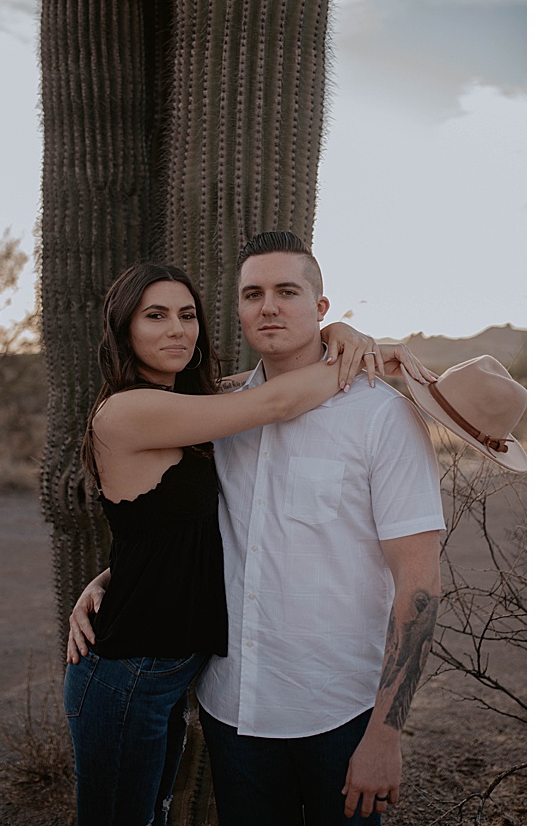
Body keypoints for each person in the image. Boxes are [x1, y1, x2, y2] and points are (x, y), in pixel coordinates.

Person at [61, 260, 432, 825]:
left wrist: (113, 575)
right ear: (124, 329)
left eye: (187, 315)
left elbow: (168, 529)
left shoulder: (201, 408)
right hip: (129, 674)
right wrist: (366, 355)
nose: (176, 330)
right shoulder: (129, 410)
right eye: (154, 316)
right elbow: (273, 403)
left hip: (174, 680)